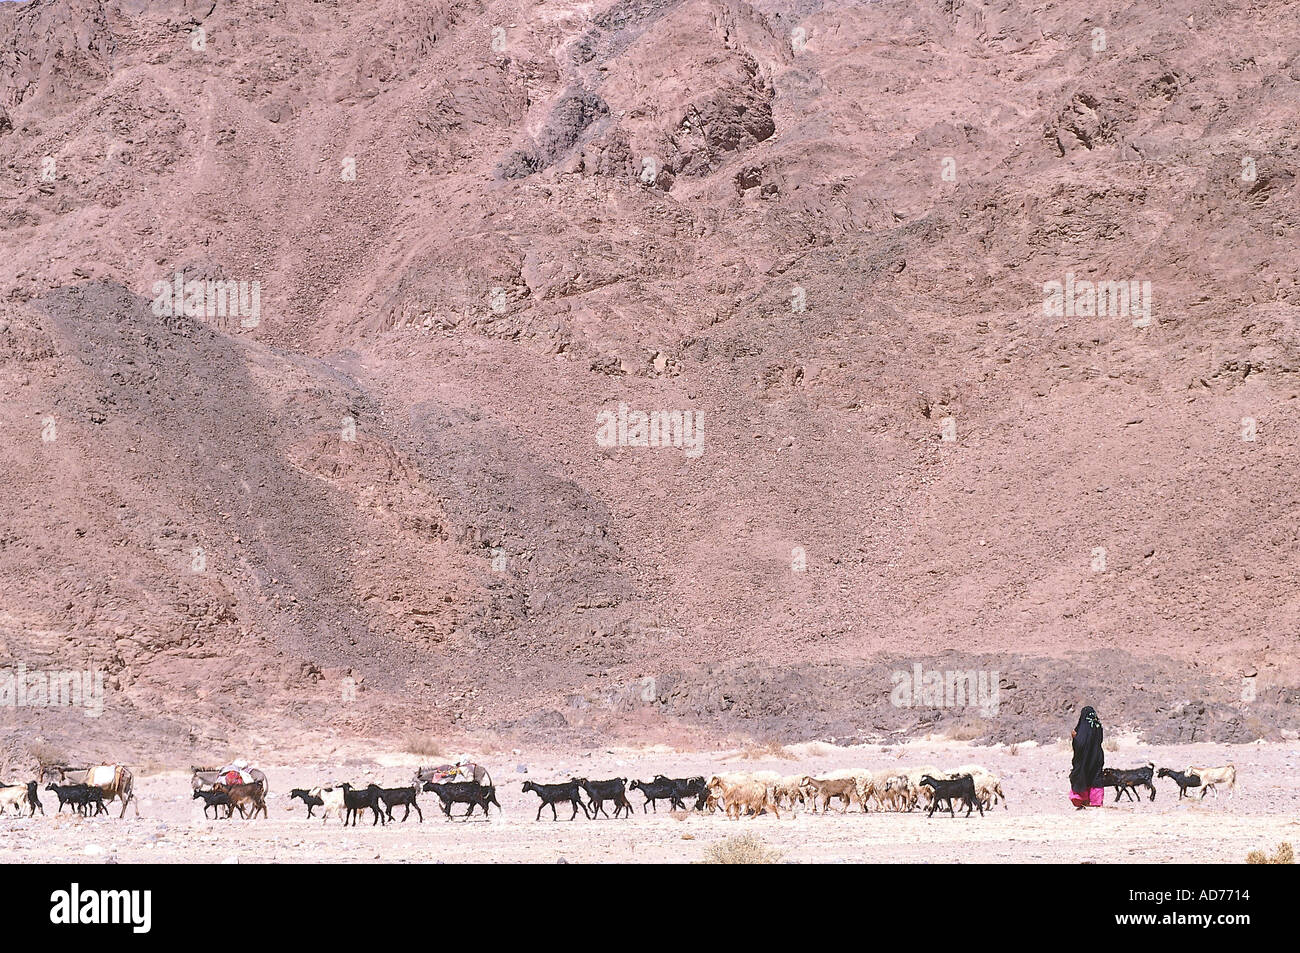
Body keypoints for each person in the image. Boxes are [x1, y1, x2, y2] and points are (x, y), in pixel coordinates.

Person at [1069, 706, 1105, 808]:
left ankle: (1081, 799)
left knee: (1082, 775)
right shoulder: (1098, 726)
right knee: (1095, 777)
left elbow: (1080, 743)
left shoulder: (1083, 727)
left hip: (1085, 758)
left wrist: (1075, 738)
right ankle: (1096, 801)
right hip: (1097, 757)